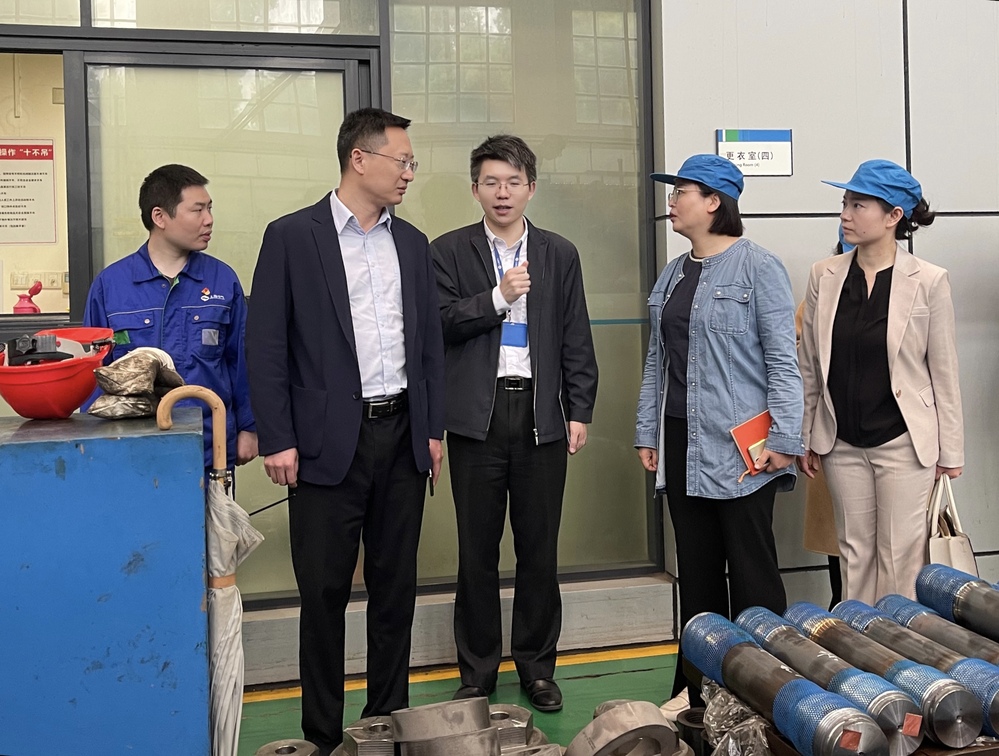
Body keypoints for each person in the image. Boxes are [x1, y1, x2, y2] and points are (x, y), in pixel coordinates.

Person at [244, 107, 444, 754]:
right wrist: (277, 437)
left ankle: (386, 725)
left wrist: (432, 429)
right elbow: (266, 347)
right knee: (324, 594)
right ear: (360, 158)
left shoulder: (411, 242)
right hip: (325, 443)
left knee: (395, 592)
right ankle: (323, 737)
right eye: (402, 161)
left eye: (411, 163)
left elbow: (428, 344)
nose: (409, 173)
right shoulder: (291, 237)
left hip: (403, 436)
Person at [431, 134, 598, 713]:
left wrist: (580, 408)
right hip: (475, 418)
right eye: (491, 182)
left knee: (539, 550)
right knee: (476, 552)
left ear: (531, 188)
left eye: (513, 182)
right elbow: (441, 323)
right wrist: (497, 298)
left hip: (539, 414)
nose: (502, 193)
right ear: (475, 189)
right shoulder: (448, 251)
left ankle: (537, 668)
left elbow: (576, 334)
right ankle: (477, 671)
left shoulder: (559, 253)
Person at [634, 154, 803, 717]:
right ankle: (698, 689)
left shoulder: (759, 267)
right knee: (697, 571)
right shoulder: (673, 273)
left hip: (742, 447)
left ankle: (767, 694)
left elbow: (783, 362)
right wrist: (647, 431)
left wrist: (786, 436)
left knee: (753, 575)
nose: (671, 201)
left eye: (680, 191)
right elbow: (657, 362)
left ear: (714, 202)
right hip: (680, 440)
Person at [798, 159, 964, 605]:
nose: (845, 214)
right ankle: (859, 645)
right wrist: (806, 434)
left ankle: (900, 647)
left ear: (894, 216)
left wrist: (951, 452)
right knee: (854, 556)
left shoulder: (929, 280)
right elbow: (810, 364)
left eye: (859, 205)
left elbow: (944, 372)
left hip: (903, 441)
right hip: (840, 441)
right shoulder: (823, 275)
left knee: (900, 560)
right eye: (845, 203)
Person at [83, 164, 257, 471]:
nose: (209, 219)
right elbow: (92, 371)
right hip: (130, 450)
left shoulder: (222, 280)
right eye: (197, 210)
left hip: (209, 449)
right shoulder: (111, 286)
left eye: (210, 209)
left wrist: (249, 427)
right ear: (160, 217)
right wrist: (90, 438)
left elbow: (241, 360)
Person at [795, 228, 853, 610]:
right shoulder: (818, 297)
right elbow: (802, 371)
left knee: (891, 560)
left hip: (894, 441)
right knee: (841, 558)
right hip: (832, 438)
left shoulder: (914, 284)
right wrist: (804, 436)